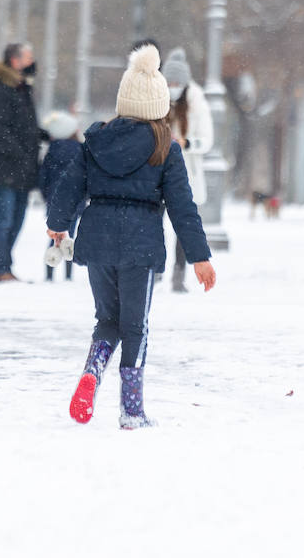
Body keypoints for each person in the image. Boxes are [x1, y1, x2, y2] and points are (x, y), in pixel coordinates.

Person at [46, 44, 216, 429]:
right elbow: (182, 207)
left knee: (107, 318)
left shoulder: (96, 140)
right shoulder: (164, 148)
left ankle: (92, 371)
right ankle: (132, 409)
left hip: (98, 237)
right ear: (158, 104)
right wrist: (199, 256)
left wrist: (59, 223)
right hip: (140, 242)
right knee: (135, 325)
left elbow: (69, 187)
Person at [0, 42, 46, 282]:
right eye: (28, 57)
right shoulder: (3, 89)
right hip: (6, 168)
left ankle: (5, 264)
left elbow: (25, 127)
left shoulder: (22, 89)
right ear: (15, 60)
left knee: (17, 218)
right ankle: (0, 267)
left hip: (23, 168)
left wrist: (45, 134)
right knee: (5, 218)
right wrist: (21, 154)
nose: (32, 62)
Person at [162, 47, 214, 293]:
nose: (173, 86)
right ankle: (154, 269)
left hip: (185, 172)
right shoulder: (156, 97)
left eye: (176, 83)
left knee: (183, 225)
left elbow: (207, 139)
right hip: (158, 170)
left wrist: (187, 143)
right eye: (169, 82)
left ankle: (178, 273)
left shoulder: (196, 101)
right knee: (153, 223)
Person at [39, 110, 84, 282]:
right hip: (75, 201)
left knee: (55, 234)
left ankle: (49, 270)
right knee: (70, 236)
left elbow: (43, 177)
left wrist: (46, 196)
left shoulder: (52, 151)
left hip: (54, 201)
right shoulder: (80, 150)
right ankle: (68, 273)